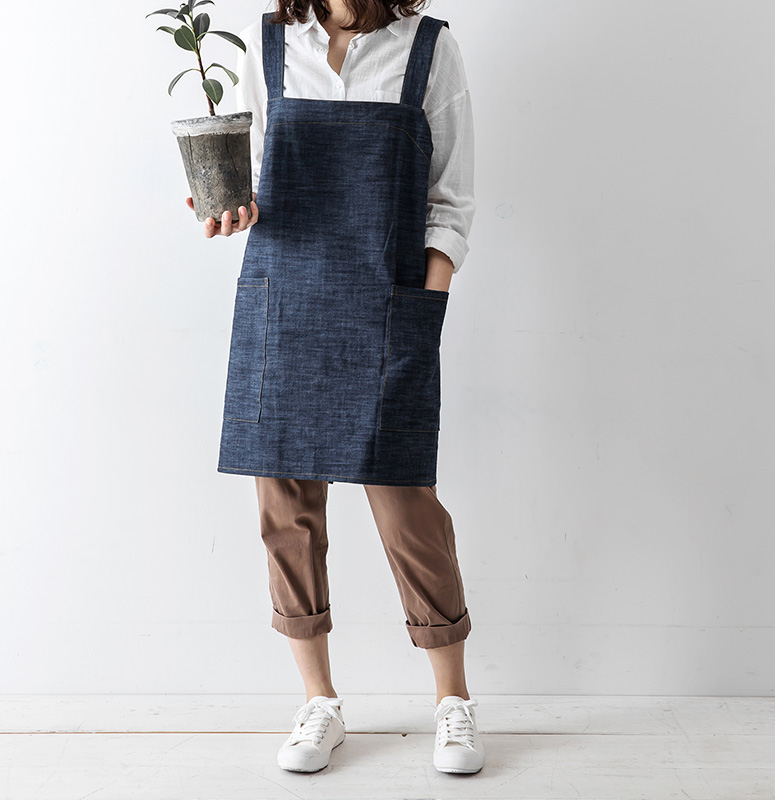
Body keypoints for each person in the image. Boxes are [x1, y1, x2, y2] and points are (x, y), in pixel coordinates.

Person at [186, 0, 480, 775]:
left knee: (408, 507)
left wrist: (423, 310)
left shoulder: (428, 49)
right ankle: (319, 701)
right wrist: (225, 209)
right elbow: (246, 176)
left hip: (388, 302)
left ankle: (452, 701)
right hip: (284, 296)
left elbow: (450, 201)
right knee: (285, 510)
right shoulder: (269, 43)